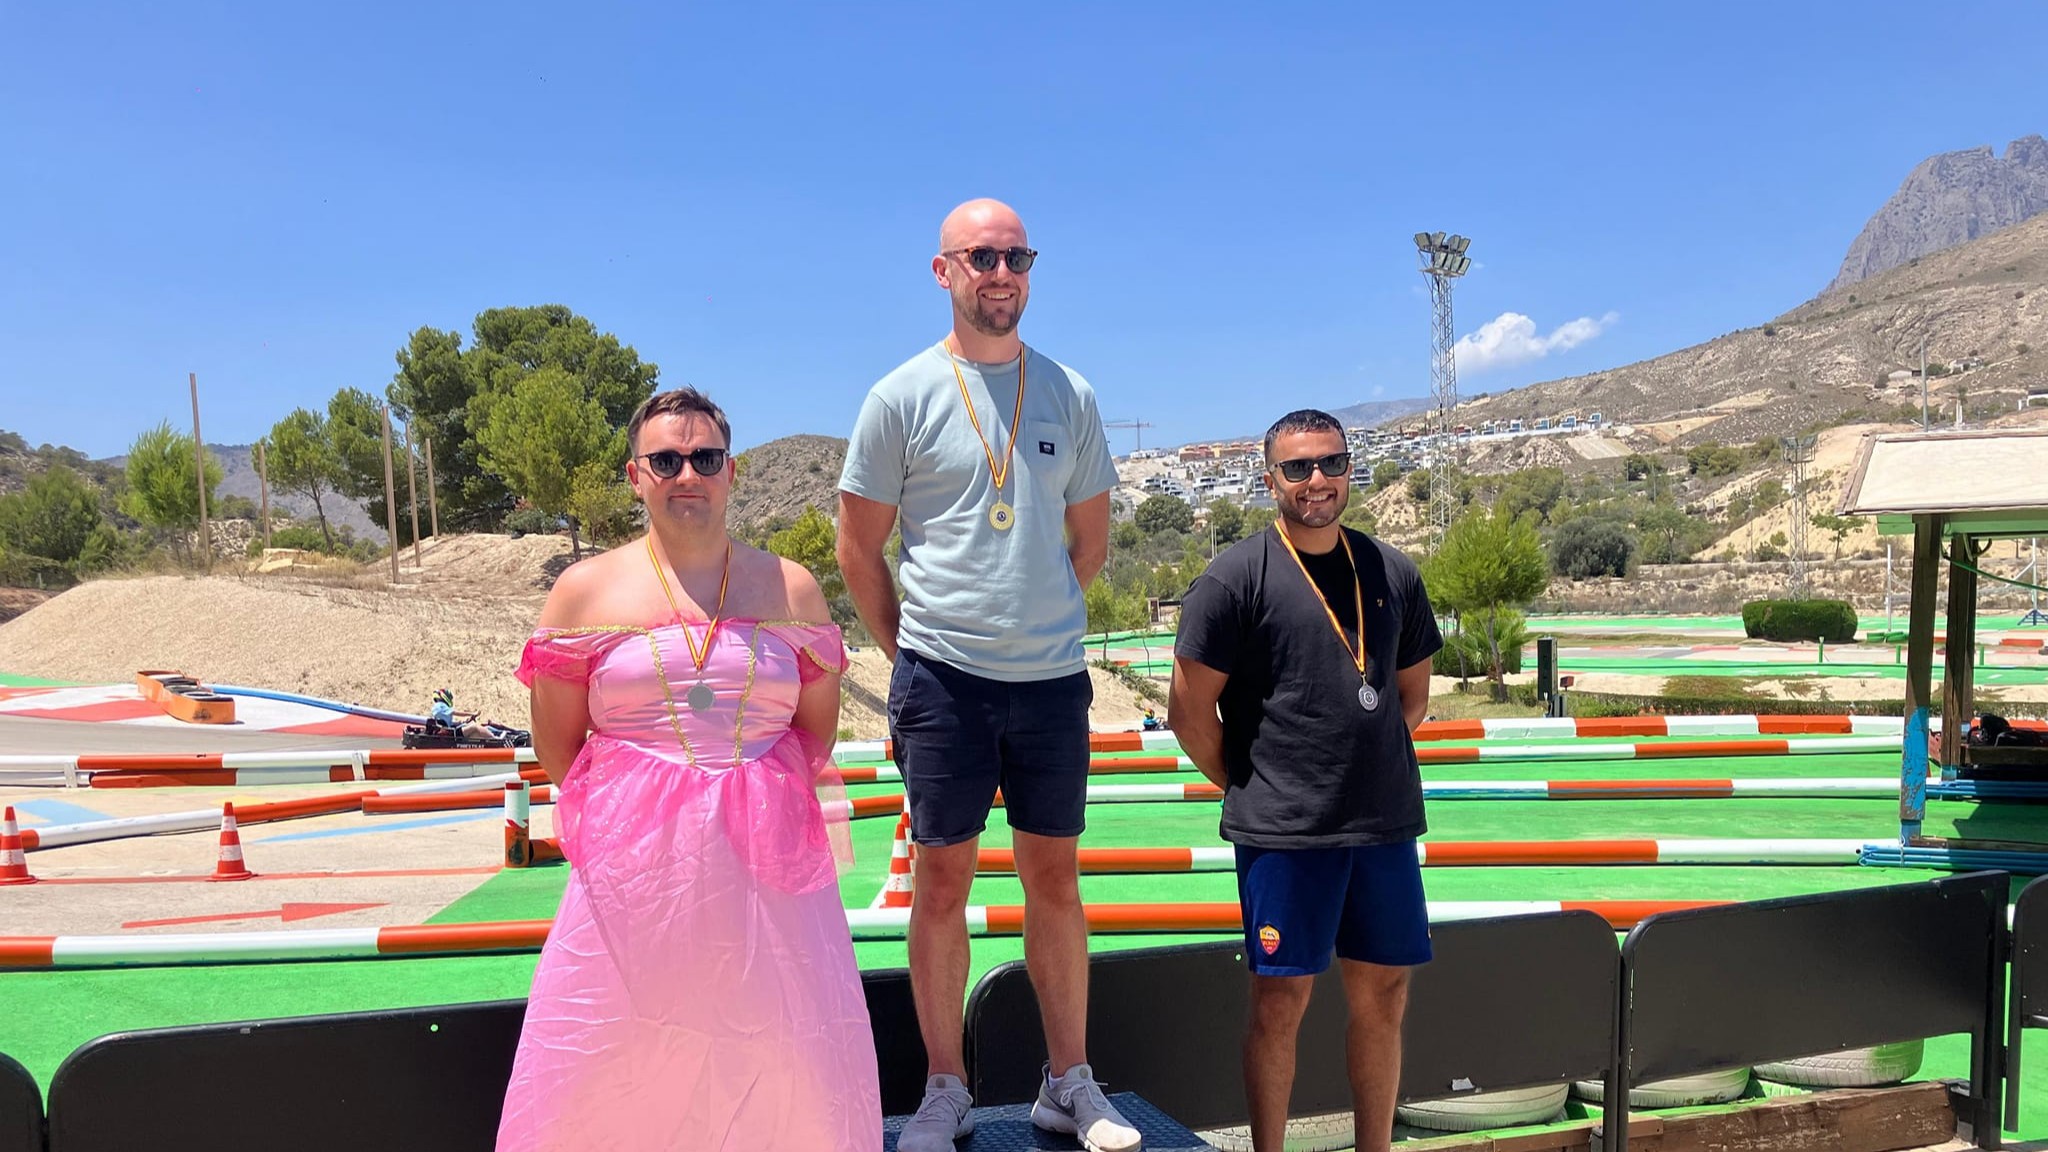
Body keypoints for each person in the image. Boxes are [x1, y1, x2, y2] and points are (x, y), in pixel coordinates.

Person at [496, 387, 881, 1151]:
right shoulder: (584, 592)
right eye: (665, 460)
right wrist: (653, 811)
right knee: (621, 1048)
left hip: (768, 877)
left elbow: (813, 737)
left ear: (732, 471)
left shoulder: (793, 587)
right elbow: (559, 750)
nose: (687, 474)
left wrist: (732, 800)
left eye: (704, 458)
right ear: (635, 475)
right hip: (635, 881)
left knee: (782, 1047)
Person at [837, 198, 1139, 1152]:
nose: (1000, 271)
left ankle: (1068, 1082)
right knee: (942, 881)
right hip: (943, 683)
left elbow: (1087, 543)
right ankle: (943, 1089)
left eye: (1017, 255)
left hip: (1050, 681)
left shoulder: (1070, 394)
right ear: (944, 271)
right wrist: (912, 650)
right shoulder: (899, 396)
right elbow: (857, 548)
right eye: (981, 256)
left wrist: (1031, 614)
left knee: (1056, 879)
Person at [1167, 409, 1443, 1152]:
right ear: (1269, 480)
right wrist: (1259, 782)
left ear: (1350, 469)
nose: (1316, 481)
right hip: (1285, 833)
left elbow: (1410, 698)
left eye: (1331, 463)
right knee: (1279, 1002)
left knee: (1384, 996)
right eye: (1297, 468)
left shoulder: (1392, 571)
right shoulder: (1234, 579)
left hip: (1381, 825)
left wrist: (1362, 764)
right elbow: (1190, 713)